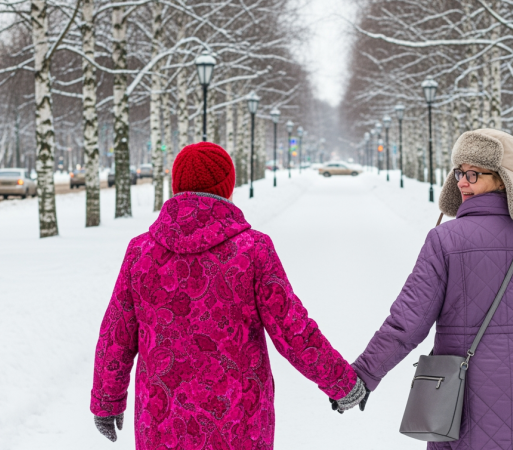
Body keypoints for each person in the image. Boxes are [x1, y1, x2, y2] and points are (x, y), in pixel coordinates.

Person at [90, 142, 367, 449]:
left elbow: (117, 334)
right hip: (239, 422)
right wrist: (342, 382)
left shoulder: (140, 252)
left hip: (161, 422)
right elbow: (293, 329)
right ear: (227, 188)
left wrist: (107, 400)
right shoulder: (253, 250)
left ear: (176, 187)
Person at [352, 129, 513, 449]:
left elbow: (407, 321)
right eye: (459, 172)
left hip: (465, 404)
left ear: (503, 179)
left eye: (473, 174)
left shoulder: (445, 241)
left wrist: (362, 376)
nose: (461, 182)